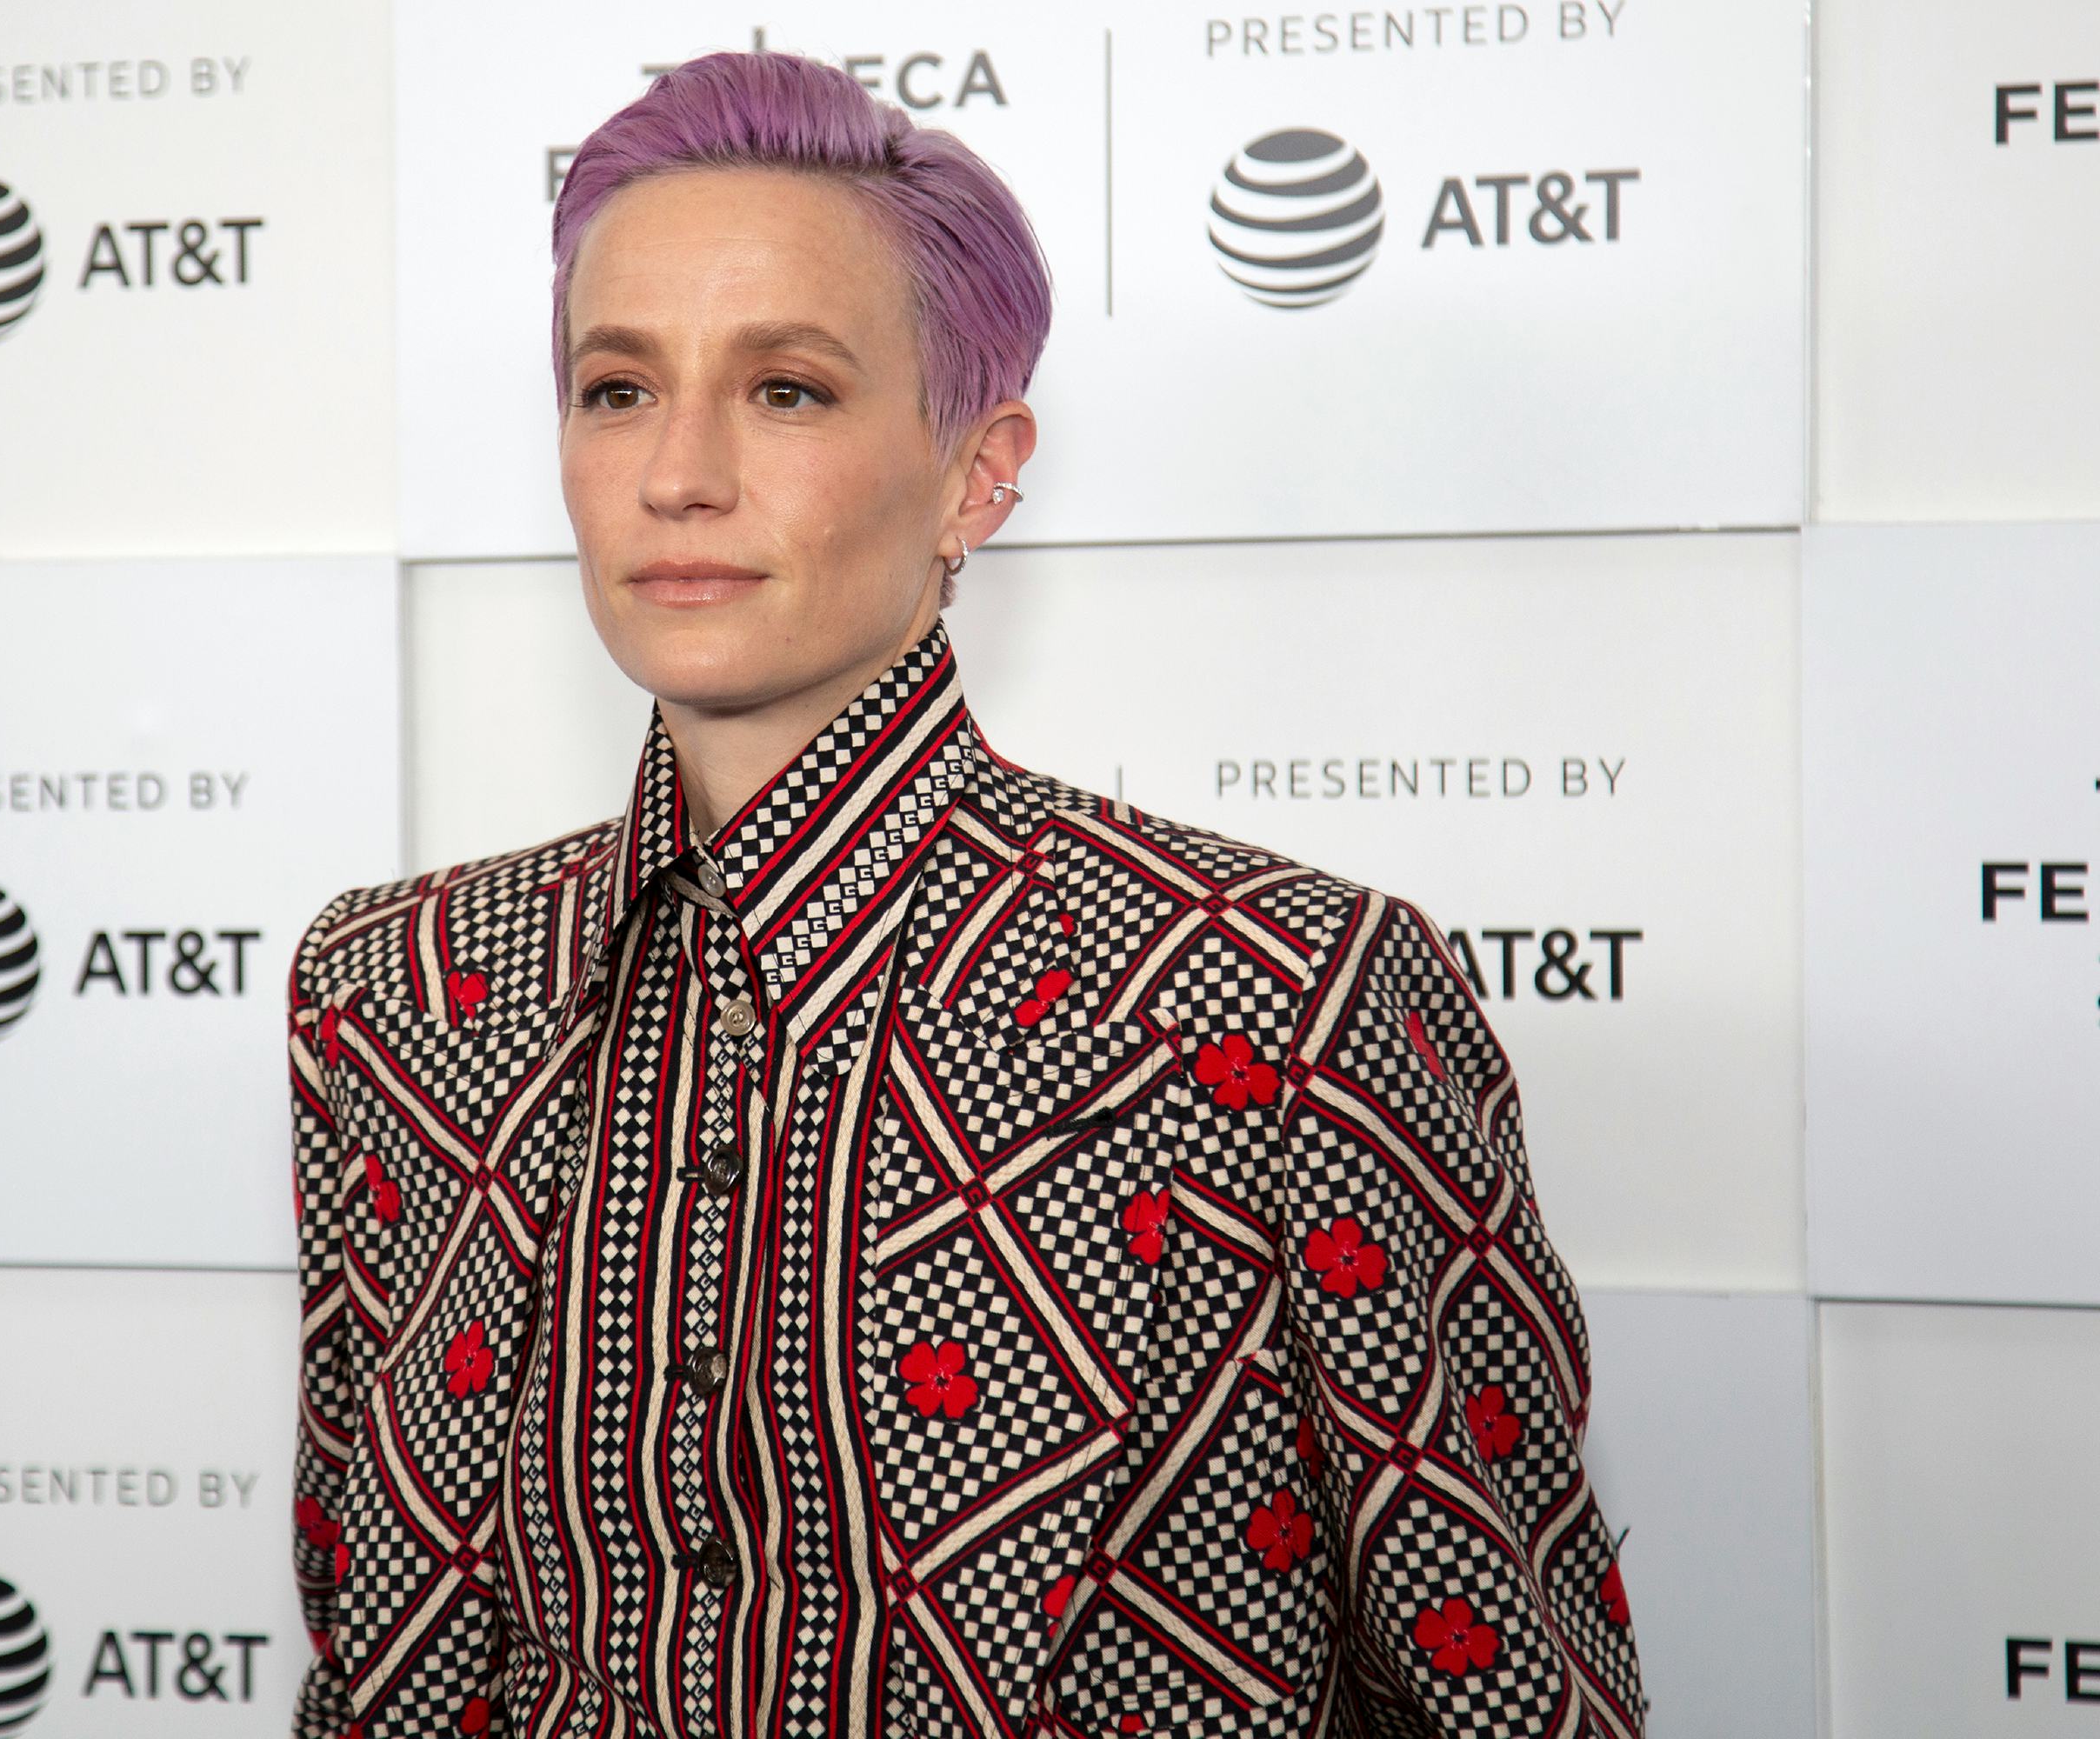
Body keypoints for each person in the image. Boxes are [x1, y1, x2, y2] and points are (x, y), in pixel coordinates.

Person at [285, 48, 1644, 1739]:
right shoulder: (404, 984)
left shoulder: (1270, 995)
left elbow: (1506, 1692)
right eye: (617, 387)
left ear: (975, 472)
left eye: (788, 388)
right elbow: (371, 1660)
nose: (677, 473)